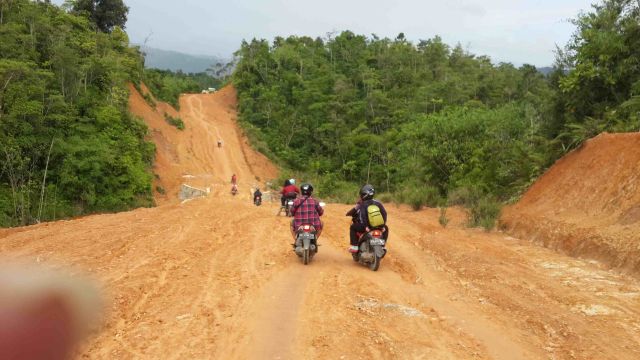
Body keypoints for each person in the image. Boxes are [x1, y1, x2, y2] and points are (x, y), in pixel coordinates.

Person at [347, 184, 389, 253]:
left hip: (367, 227)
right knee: (386, 229)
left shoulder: (362, 204)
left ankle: (354, 246)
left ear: (363, 194)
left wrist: (366, 226)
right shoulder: (378, 203)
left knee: (353, 227)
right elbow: (384, 214)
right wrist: (383, 226)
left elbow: (362, 216)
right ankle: (383, 246)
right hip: (378, 227)